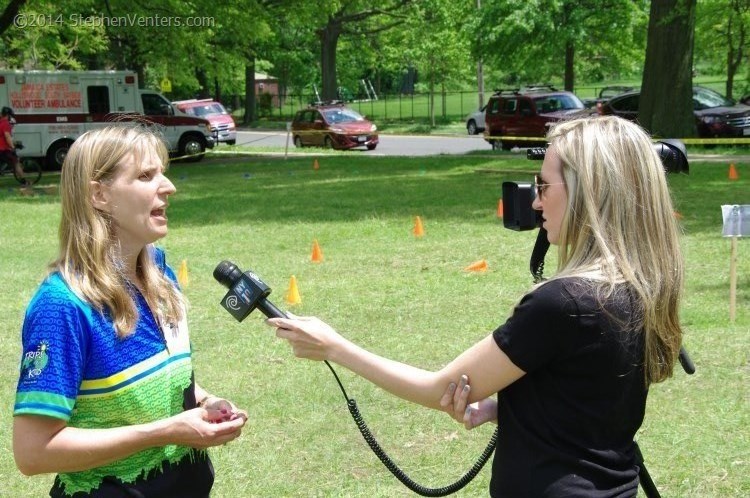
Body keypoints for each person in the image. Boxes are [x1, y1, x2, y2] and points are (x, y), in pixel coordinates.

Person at [267, 115, 684, 497]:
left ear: (588, 193)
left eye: (543, 186)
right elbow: (591, 396)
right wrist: (512, 408)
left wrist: (334, 347)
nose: (535, 202)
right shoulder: (639, 287)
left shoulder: (563, 303)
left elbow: (437, 389)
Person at [13, 125, 247, 498]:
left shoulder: (159, 272)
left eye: (162, 172)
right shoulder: (62, 306)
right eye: (145, 175)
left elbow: (159, 379)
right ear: (99, 194)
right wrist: (169, 430)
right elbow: (33, 452)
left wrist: (204, 402)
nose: (168, 186)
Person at [0, 106, 30, 186]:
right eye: (11, 116)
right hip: (3, 149)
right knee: (16, 163)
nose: (11, 117)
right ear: (8, 115)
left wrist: (14, 143)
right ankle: (24, 182)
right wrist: (13, 147)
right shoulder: (6, 124)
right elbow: (7, 137)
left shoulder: (1, 123)